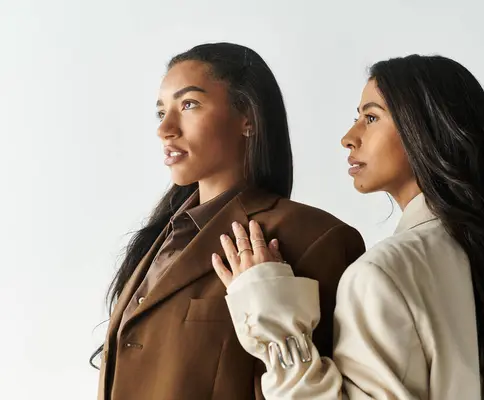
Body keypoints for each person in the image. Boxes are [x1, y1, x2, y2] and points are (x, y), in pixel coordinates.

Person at [213, 55, 484, 399]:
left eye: (371, 118)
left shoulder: (381, 274)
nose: (349, 137)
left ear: (425, 129)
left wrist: (273, 319)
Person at [91, 42, 365, 400]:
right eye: (162, 112)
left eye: (189, 105)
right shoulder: (161, 237)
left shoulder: (315, 238)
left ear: (247, 118)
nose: (166, 129)